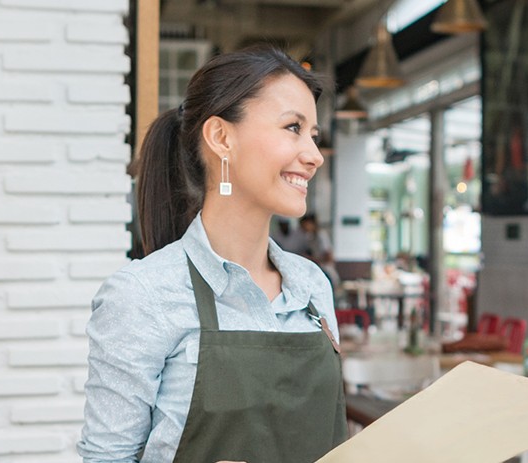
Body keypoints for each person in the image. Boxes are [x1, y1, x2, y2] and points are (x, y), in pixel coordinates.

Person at [77, 46, 346, 463]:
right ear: (222, 137)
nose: (313, 156)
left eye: (313, 135)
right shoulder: (143, 295)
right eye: (293, 127)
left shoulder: (311, 286)